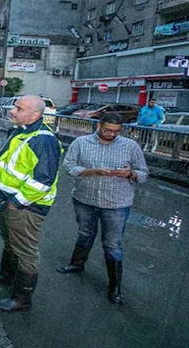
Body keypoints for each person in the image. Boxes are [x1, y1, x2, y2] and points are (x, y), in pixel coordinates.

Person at [0, 95, 62, 312]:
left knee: (25, 251)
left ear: (35, 114)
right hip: (8, 201)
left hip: (26, 207)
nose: (12, 111)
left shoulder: (43, 140)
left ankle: (22, 299)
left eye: (19, 108)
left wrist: (16, 202)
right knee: (10, 241)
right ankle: (6, 276)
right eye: (14, 107)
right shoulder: (20, 131)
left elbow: (43, 181)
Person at [57, 113, 148, 305]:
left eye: (116, 131)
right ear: (99, 125)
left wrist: (130, 174)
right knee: (84, 233)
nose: (111, 134)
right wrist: (92, 171)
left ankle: (114, 287)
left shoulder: (131, 146)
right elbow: (68, 166)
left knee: (112, 244)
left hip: (116, 204)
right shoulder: (81, 143)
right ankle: (76, 264)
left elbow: (143, 173)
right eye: (108, 130)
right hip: (85, 199)